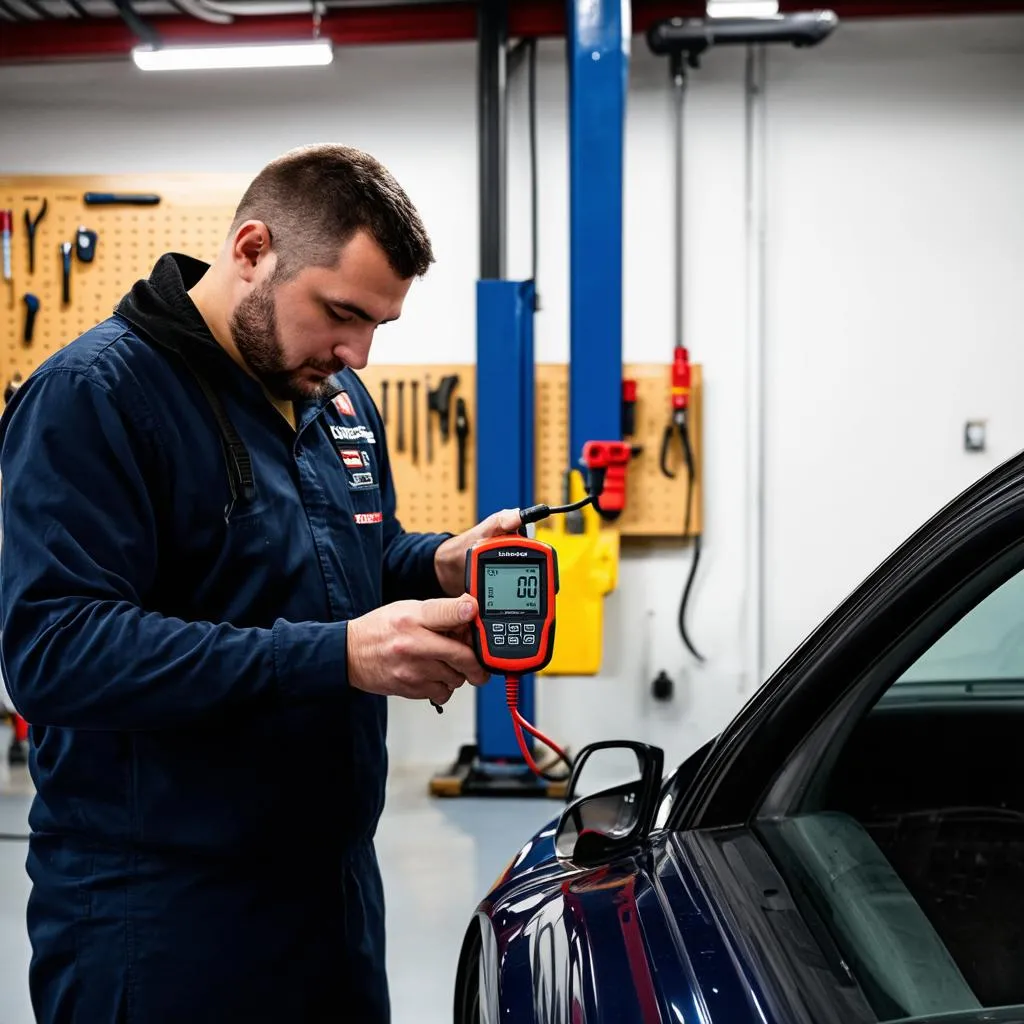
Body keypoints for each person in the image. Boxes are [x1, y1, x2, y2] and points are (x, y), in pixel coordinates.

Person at [0, 144, 519, 1024]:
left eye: (377, 328)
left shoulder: (333, 399)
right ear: (251, 251)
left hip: (331, 895)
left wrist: (432, 561)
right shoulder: (95, 398)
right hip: (162, 916)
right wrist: (340, 656)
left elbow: (344, 558)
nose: (356, 353)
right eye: (341, 313)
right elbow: (56, 650)